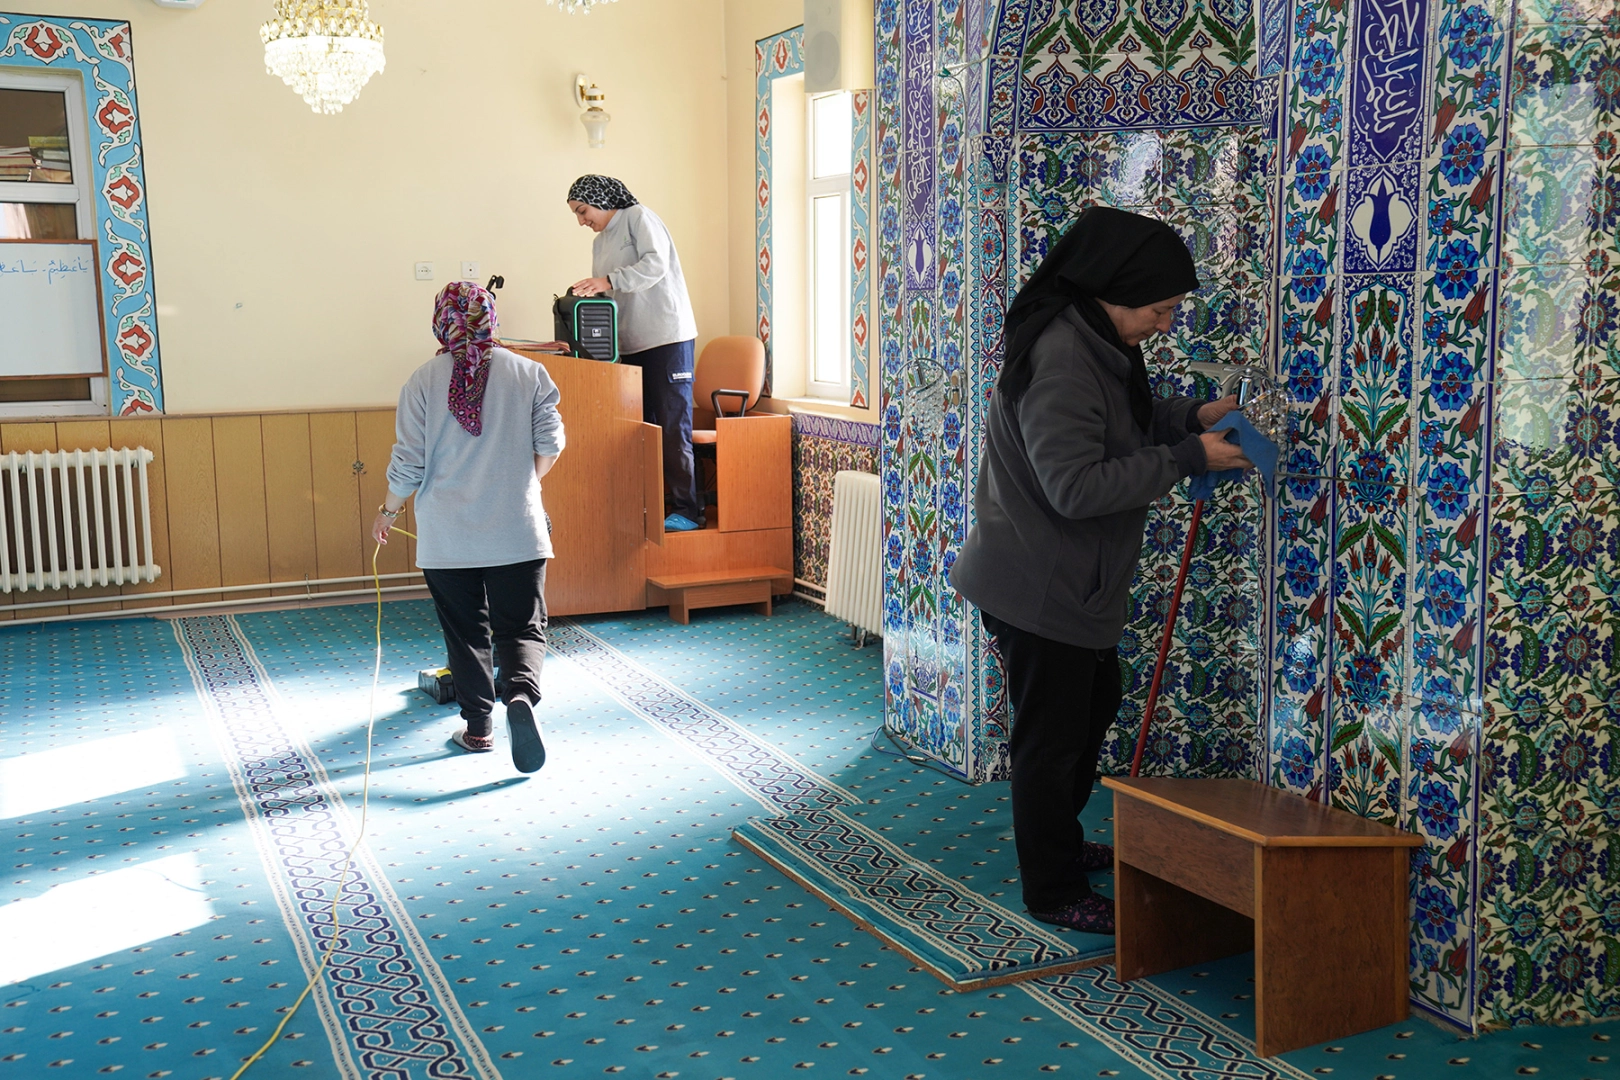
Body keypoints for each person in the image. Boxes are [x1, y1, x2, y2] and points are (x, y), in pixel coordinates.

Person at [949, 207, 1252, 935]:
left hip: (1063, 582)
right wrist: (1187, 459)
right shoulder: (1065, 357)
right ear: (1117, 290)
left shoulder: (1095, 339)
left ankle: (1060, 838)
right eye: (1160, 309)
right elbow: (1074, 487)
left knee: (1089, 712)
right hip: (1037, 585)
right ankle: (1052, 889)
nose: (1166, 324)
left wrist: (1192, 417)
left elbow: (1119, 423)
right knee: (1051, 743)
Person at [374, 281, 565, 774]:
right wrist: (524, 484)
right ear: (490, 319)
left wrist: (388, 511)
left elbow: (409, 461)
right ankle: (519, 695)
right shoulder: (529, 372)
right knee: (521, 626)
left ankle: (479, 729)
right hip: (517, 528)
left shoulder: (421, 380)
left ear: (440, 322)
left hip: (447, 535)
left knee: (465, 633)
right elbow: (551, 443)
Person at [566, 174, 704, 531]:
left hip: (667, 338)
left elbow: (656, 265)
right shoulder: (600, 242)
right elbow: (608, 292)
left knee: (673, 426)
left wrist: (608, 281)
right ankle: (652, 505)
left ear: (601, 199)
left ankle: (689, 511)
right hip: (630, 343)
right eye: (576, 215)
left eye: (582, 211)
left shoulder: (638, 217)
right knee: (641, 428)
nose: (581, 221)